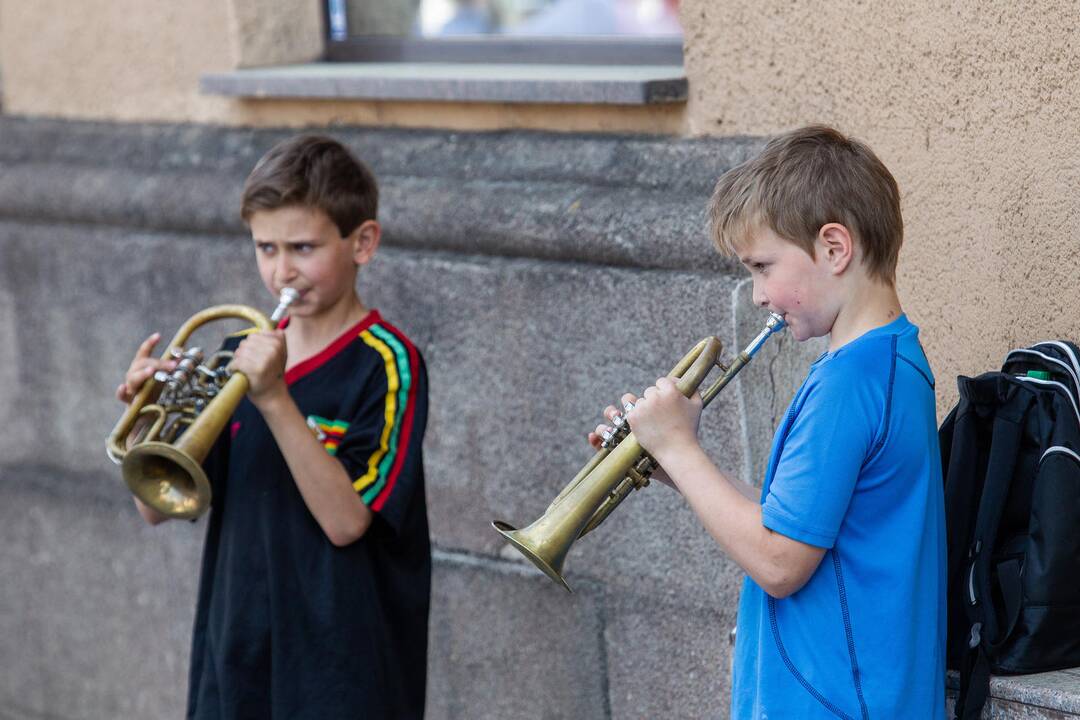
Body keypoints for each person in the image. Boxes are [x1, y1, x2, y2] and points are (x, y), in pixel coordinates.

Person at [590, 125, 946, 718]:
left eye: (762, 266)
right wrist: (677, 467)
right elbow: (801, 526)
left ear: (834, 248)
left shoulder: (848, 383)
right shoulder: (883, 360)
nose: (756, 295)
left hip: (833, 703)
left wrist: (681, 449)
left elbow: (780, 562)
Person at [116, 135, 431, 719]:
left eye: (303, 247)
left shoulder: (387, 362)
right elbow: (158, 506)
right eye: (265, 248)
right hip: (236, 655)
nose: (282, 270)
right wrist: (149, 419)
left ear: (362, 242)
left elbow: (346, 523)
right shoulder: (238, 350)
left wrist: (275, 397)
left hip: (341, 668)